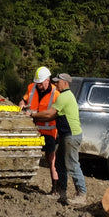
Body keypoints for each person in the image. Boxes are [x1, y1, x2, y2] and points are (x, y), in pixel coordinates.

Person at [32, 72, 85, 205]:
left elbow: (50, 113)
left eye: (58, 82)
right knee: (59, 163)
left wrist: (33, 115)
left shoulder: (64, 96)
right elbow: (52, 117)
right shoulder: (65, 96)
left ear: (65, 83)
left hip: (71, 135)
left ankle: (81, 194)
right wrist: (35, 118)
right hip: (66, 135)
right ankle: (61, 192)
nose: (55, 84)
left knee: (72, 164)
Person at [17, 66, 59, 191]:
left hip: (49, 132)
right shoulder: (31, 87)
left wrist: (33, 115)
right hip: (32, 130)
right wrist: (21, 105)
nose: (39, 86)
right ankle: (21, 182)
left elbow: (52, 114)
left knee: (51, 160)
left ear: (48, 80)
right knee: (26, 156)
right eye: (37, 83)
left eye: (41, 83)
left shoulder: (56, 94)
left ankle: (55, 188)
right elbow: (23, 100)